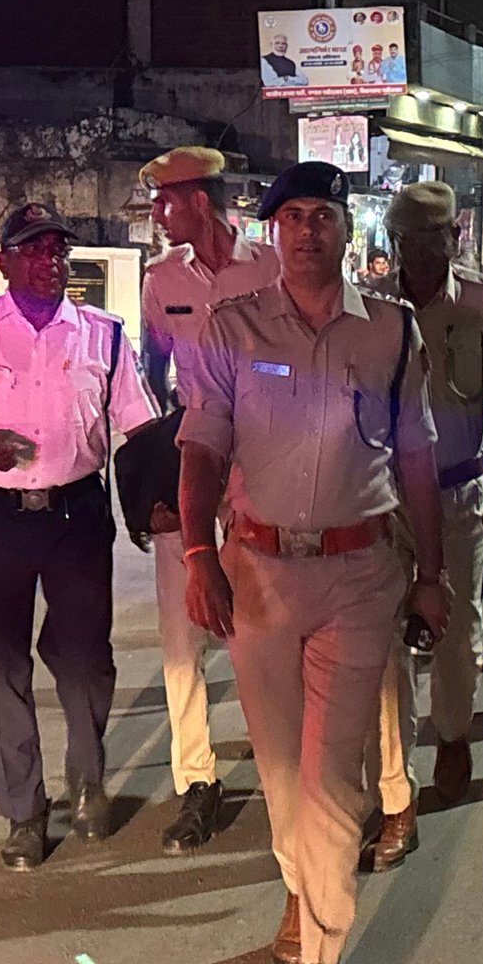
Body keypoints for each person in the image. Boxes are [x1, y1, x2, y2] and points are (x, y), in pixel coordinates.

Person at [176, 160, 451, 964]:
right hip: (258, 575)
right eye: (291, 216)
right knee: (281, 766)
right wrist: (198, 553)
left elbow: (416, 458)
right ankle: (301, 886)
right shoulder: (232, 328)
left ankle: (320, 960)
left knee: (332, 773)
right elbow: (202, 447)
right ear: (273, 231)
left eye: (322, 216)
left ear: (345, 228)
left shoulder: (392, 331)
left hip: (360, 574)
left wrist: (433, 576)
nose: (306, 231)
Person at [0, 202, 158, 871]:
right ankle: (24, 812)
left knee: (85, 659)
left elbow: (140, 430)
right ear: (5, 261)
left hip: (77, 516)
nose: (52, 261)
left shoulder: (104, 337)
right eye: (36, 250)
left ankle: (87, 777)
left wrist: (156, 504)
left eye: (59, 251)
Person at [361, 181, 483, 871]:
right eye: (412, 239)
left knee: (456, 636)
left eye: (438, 236)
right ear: (394, 244)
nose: (425, 250)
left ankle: (452, 736)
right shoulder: (369, 310)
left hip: (459, 497)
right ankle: (394, 785)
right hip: (384, 501)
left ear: (455, 238)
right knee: (382, 648)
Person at [138, 146, 280, 855]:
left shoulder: (272, 267)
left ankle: (285, 765)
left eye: (164, 201)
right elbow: (153, 373)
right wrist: (155, 474)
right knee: (180, 632)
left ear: (200, 200)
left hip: (266, 463)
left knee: (267, 621)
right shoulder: (160, 279)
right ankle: (197, 780)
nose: (157, 215)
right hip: (194, 462)